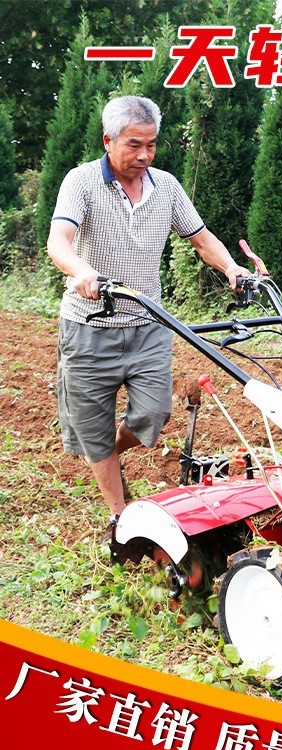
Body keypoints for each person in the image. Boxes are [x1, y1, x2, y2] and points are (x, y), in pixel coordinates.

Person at [47, 95, 251, 539]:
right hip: (89, 326)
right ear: (108, 141)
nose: (144, 155)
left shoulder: (166, 187)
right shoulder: (82, 181)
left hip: (147, 323)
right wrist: (81, 271)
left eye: (152, 145)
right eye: (134, 145)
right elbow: (59, 240)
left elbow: (202, 239)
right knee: (93, 424)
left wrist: (231, 268)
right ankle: (120, 516)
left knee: (152, 415)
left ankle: (105, 453)